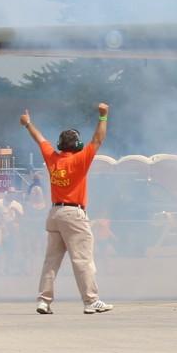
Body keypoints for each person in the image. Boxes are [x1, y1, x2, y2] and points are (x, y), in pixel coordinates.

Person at [21, 105, 112, 314]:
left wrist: (27, 123)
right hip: (74, 214)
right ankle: (91, 301)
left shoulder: (52, 158)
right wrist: (103, 116)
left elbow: (40, 139)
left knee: (51, 261)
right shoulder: (80, 160)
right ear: (77, 145)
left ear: (61, 144)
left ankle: (43, 300)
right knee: (82, 259)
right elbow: (98, 139)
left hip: (54, 214)